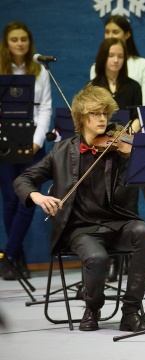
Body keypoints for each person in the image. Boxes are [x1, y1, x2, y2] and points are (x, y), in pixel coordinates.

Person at [13, 85, 145, 331]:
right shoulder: (61, 151)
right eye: (94, 114)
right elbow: (23, 180)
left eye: (104, 113)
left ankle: (131, 312)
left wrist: (133, 156)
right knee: (97, 257)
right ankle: (92, 308)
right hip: (80, 228)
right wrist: (37, 196)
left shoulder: (119, 149)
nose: (102, 119)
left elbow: (132, 189)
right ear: (81, 117)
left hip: (116, 222)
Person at [0, 21, 51, 280]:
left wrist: (37, 141)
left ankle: (8, 256)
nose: (19, 43)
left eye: (23, 39)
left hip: (32, 139)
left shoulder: (40, 69)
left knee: (28, 199)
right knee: (10, 201)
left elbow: (45, 108)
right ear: (6, 43)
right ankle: (17, 260)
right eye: (14, 39)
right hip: (5, 140)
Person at [90, 15, 145, 106]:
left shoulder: (143, 64)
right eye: (107, 32)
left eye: (115, 32)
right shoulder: (95, 67)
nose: (110, 36)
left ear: (127, 34)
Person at [90, 38, 142, 125]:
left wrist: (126, 136)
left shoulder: (134, 86)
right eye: (111, 55)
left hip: (128, 137)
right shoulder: (93, 87)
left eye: (120, 56)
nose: (116, 60)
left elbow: (137, 117)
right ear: (103, 57)